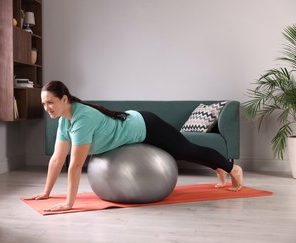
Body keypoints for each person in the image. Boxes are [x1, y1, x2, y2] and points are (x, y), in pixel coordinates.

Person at [25, 80, 243, 212]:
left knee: (187, 151)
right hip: (135, 123)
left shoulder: (82, 119)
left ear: (64, 99)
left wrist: (68, 204)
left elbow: (75, 165)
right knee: (188, 151)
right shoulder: (64, 120)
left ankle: (232, 168)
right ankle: (218, 168)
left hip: (146, 125)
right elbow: (57, 158)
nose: (47, 108)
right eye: (44, 104)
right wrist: (46, 193)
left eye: (50, 102)